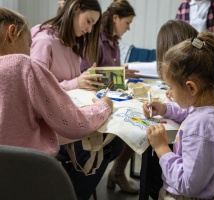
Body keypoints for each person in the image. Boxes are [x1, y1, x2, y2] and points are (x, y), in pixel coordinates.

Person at [30, 1, 123, 199]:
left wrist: (85, 79)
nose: (89, 30)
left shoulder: (72, 43)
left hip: (68, 114)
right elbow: (36, 91)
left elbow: (67, 82)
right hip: (49, 123)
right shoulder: (44, 41)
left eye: (93, 25)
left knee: (116, 143)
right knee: (96, 149)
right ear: (75, 9)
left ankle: (67, 190)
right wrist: (76, 83)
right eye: (88, 21)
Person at [0, 7, 113, 159]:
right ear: (12, 33)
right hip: (27, 169)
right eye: (29, 44)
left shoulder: (73, 46)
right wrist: (103, 106)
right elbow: (74, 125)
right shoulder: (23, 65)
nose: (29, 52)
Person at [143, 31, 214, 200]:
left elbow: (187, 185)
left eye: (171, 87)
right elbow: (189, 112)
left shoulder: (203, 126)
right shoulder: (209, 107)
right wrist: (165, 109)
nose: (169, 92)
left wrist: (161, 148)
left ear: (191, 88)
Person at [81, 0, 139, 194]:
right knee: (133, 129)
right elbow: (87, 73)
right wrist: (116, 73)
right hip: (95, 102)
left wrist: (121, 71)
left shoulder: (114, 42)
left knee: (139, 124)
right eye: (127, 22)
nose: (128, 28)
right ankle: (116, 173)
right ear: (115, 18)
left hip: (112, 99)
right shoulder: (95, 39)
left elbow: (110, 75)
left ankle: (118, 171)